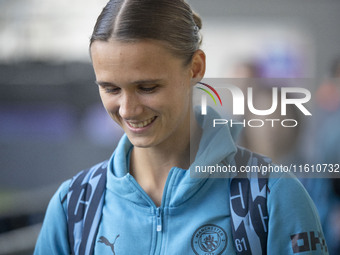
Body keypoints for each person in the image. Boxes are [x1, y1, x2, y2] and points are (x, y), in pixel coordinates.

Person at [34, 0, 328, 254]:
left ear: (196, 68)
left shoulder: (275, 196)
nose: (127, 109)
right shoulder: (73, 206)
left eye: (147, 87)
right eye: (110, 89)